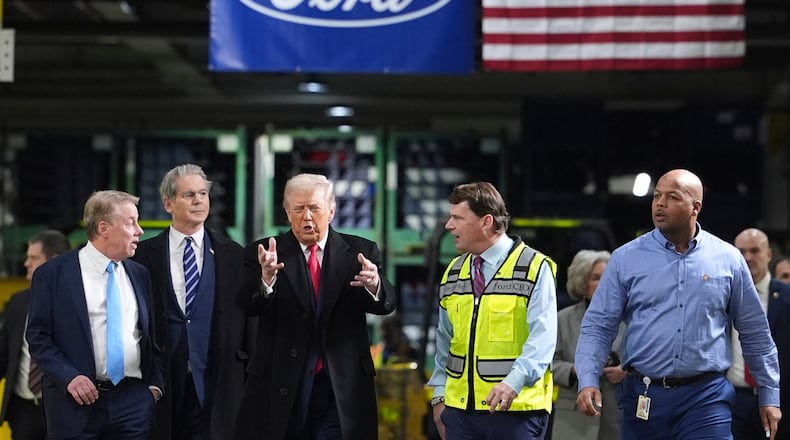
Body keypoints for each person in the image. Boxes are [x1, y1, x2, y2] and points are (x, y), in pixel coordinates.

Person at [575, 169, 782, 440]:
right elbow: (598, 327)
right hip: (643, 396)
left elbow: (755, 332)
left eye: (672, 197)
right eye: (657, 196)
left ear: (695, 207)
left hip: (706, 397)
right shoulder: (625, 259)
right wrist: (588, 379)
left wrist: (769, 393)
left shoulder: (728, 259)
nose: (660, 203)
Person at [235, 173, 397, 440]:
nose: (306, 217)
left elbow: (386, 304)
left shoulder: (360, 251)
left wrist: (373, 284)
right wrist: (266, 280)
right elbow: (246, 305)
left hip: (340, 388)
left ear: (331, 211)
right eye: (298, 209)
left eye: (314, 208)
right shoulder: (263, 252)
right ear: (287, 212)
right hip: (282, 384)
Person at [25, 190, 164, 440]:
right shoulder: (52, 274)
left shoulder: (139, 274)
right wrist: (69, 377)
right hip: (75, 404)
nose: (140, 231)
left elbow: (153, 337)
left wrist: (153, 388)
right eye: (131, 222)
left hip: (133, 403)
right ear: (104, 228)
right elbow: (38, 337)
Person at [131, 164, 254, 440]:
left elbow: (248, 321)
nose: (199, 200)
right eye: (189, 195)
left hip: (218, 384)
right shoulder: (142, 257)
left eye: (202, 194)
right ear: (168, 203)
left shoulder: (234, 255)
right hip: (163, 387)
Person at [427, 181, 558, 440]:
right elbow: (445, 341)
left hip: (515, 411)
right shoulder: (454, 272)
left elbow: (543, 339)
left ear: (486, 221)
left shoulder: (533, 267)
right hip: (460, 412)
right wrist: (439, 394)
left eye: (457, 218)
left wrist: (514, 382)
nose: (448, 225)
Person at [0, 230, 70, 440]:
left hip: (63, 409)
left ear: (53, 262)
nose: (26, 264)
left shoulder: (78, 303)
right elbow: (4, 354)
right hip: (22, 410)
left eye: (33, 258)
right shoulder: (17, 302)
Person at [552, 249, 624, 440]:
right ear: (581, 282)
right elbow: (545, 364)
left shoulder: (629, 319)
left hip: (618, 415)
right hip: (573, 420)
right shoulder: (562, 319)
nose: (602, 283)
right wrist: (575, 370)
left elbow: (648, 359)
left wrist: (626, 370)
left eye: (606, 277)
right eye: (595, 278)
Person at [730, 228, 790, 439]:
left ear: (769, 255)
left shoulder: (786, 297)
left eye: (754, 251)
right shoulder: (723, 297)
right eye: (741, 251)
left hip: (781, 400)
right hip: (734, 400)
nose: (748, 257)